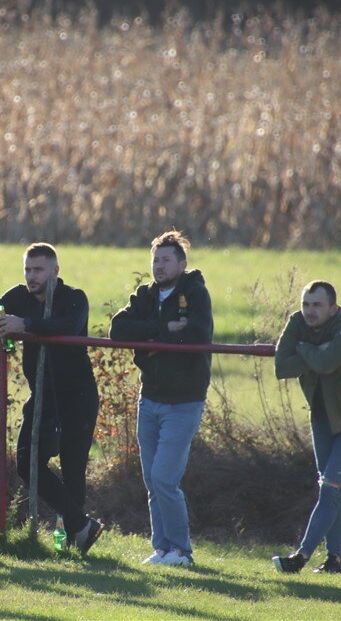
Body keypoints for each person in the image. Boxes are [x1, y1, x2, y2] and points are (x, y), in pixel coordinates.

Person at [0, 243, 104, 554]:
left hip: (77, 396)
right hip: (43, 395)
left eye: (38, 270)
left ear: (55, 272)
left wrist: (25, 324)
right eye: (28, 270)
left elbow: (66, 326)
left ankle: (70, 544)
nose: (31, 276)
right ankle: (82, 525)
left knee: (74, 468)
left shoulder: (74, 298)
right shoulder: (18, 296)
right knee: (27, 462)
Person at [108, 230, 213, 567]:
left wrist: (152, 332)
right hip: (149, 398)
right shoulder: (145, 295)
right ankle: (162, 547)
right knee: (152, 479)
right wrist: (165, 329)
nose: (159, 265)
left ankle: (182, 551)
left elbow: (198, 332)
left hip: (183, 401)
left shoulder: (195, 293)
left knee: (166, 478)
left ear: (182, 264)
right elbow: (118, 329)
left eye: (166, 260)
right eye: (155, 260)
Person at [272, 281, 341, 574]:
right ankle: (335, 560)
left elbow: (329, 363)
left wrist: (303, 349)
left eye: (317, 305)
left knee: (330, 487)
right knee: (332, 490)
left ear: (333, 308)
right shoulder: (297, 322)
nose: (309, 311)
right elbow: (281, 367)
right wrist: (315, 352)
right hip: (322, 418)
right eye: (306, 304)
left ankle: (301, 557)